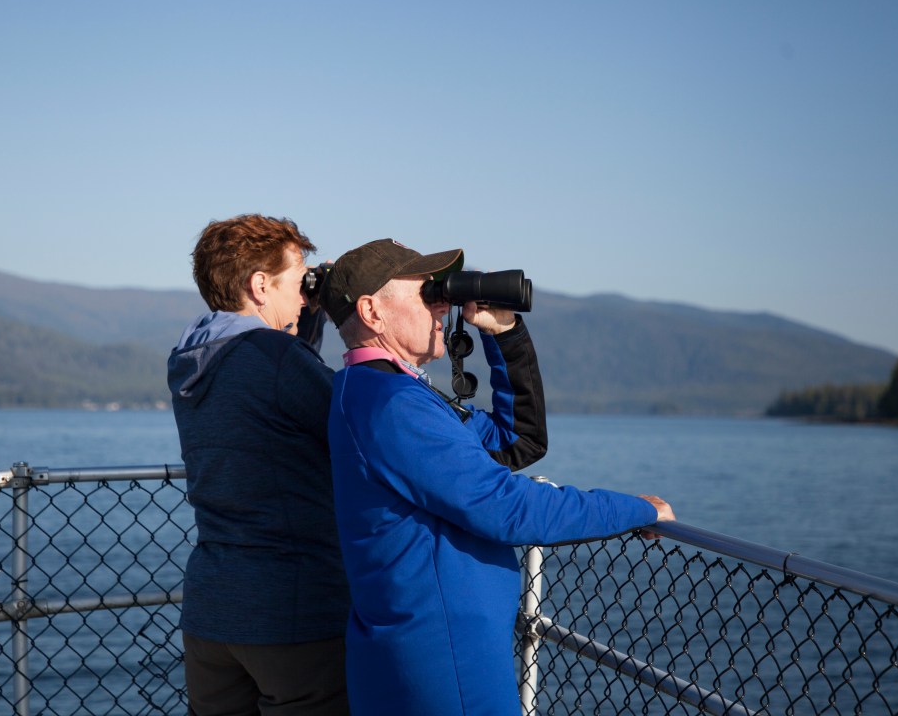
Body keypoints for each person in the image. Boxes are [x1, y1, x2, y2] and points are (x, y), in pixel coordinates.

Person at [317, 238, 675, 716]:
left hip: (418, 647)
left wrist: (504, 334)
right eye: (425, 293)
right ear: (371, 312)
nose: (441, 303)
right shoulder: (394, 406)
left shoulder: (376, 392)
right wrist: (636, 509)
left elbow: (516, 439)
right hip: (446, 665)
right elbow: (509, 508)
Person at [168, 214, 349, 716]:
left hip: (212, 613)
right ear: (260, 284)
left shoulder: (193, 356)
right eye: (298, 281)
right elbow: (357, 425)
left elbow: (277, 395)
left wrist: (305, 318)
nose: (303, 294)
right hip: (290, 614)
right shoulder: (274, 358)